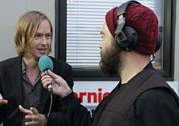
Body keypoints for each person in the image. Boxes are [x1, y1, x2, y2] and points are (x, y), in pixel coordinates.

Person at [41, 1, 179, 126]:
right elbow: (93, 123)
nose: (100, 45)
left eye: (103, 36)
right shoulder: (127, 87)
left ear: (124, 39)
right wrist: (66, 94)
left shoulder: (155, 101)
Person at [0, 11, 74, 126]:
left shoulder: (62, 70)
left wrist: (45, 120)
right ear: (23, 38)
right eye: (38, 36)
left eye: (48, 36)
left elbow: (70, 116)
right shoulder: (2, 70)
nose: (45, 42)